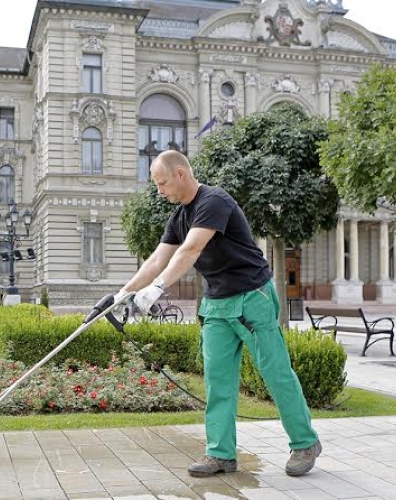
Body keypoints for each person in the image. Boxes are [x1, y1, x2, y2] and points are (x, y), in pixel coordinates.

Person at [115, 150, 321, 478]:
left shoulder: (214, 201)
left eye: (162, 183)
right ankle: (221, 454)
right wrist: (120, 295)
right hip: (217, 304)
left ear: (181, 173)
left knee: (275, 372)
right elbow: (156, 260)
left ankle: (305, 442)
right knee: (217, 381)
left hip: (251, 297)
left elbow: (191, 249)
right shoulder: (179, 217)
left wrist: (156, 289)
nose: (159, 191)